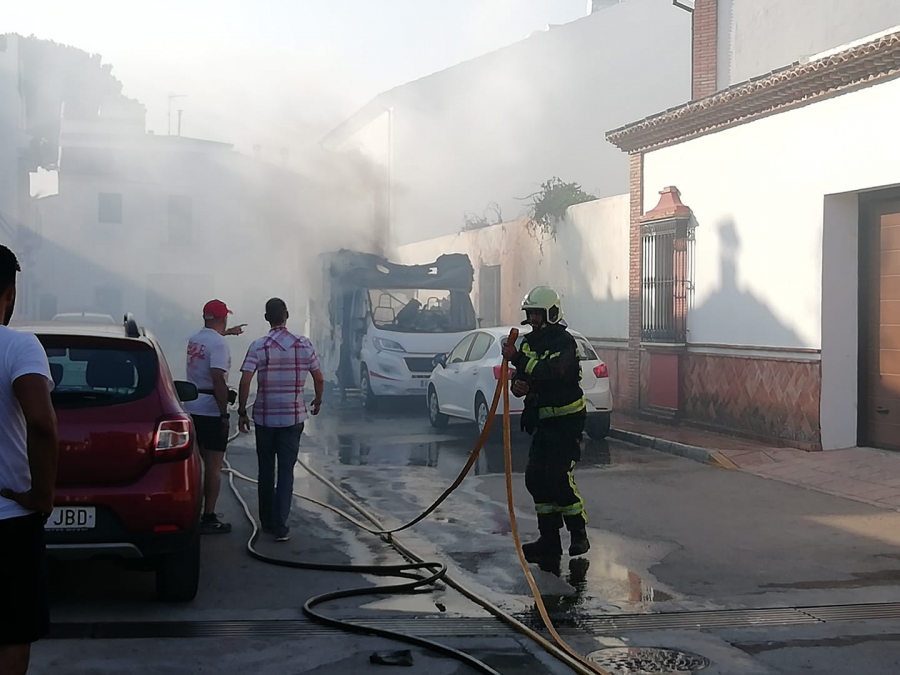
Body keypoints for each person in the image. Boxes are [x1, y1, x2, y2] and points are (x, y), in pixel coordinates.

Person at [0, 245, 59, 675]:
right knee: (11, 635)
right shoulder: (18, 347)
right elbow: (42, 424)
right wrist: (41, 495)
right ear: (9, 294)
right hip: (9, 519)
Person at [501, 286, 590, 562]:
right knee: (536, 479)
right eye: (531, 314)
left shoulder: (565, 343)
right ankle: (549, 541)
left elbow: (552, 372)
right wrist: (518, 385)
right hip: (541, 421)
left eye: (538, 314)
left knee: (558, 477)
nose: (534, 319)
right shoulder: (528, 343)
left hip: (567, 421)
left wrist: (517, 358)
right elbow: (524, 376)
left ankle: (578, 534)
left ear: (552, 313)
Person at [238, 298, 323, 542]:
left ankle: (267, 520)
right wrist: (318, 400)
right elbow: (319, 377)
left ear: (267, 318)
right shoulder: (303, 345)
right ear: (286, 315)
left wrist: (242, 411)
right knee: (286, 471)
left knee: (266, 470)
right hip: (293, 418)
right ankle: (280, 523)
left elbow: (245, 380)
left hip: (265, 418)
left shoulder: (259, 346)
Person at [184, 299, 245, 535]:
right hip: (210, 409)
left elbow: (211, 343)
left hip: (191, 405)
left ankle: (190, 512)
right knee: (213, 466)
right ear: (223, 318)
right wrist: (223, 413)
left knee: (194, 465)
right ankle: (208, 516)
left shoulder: (195, 338)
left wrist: (227, 333)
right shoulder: (219, 345)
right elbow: (218, 379)